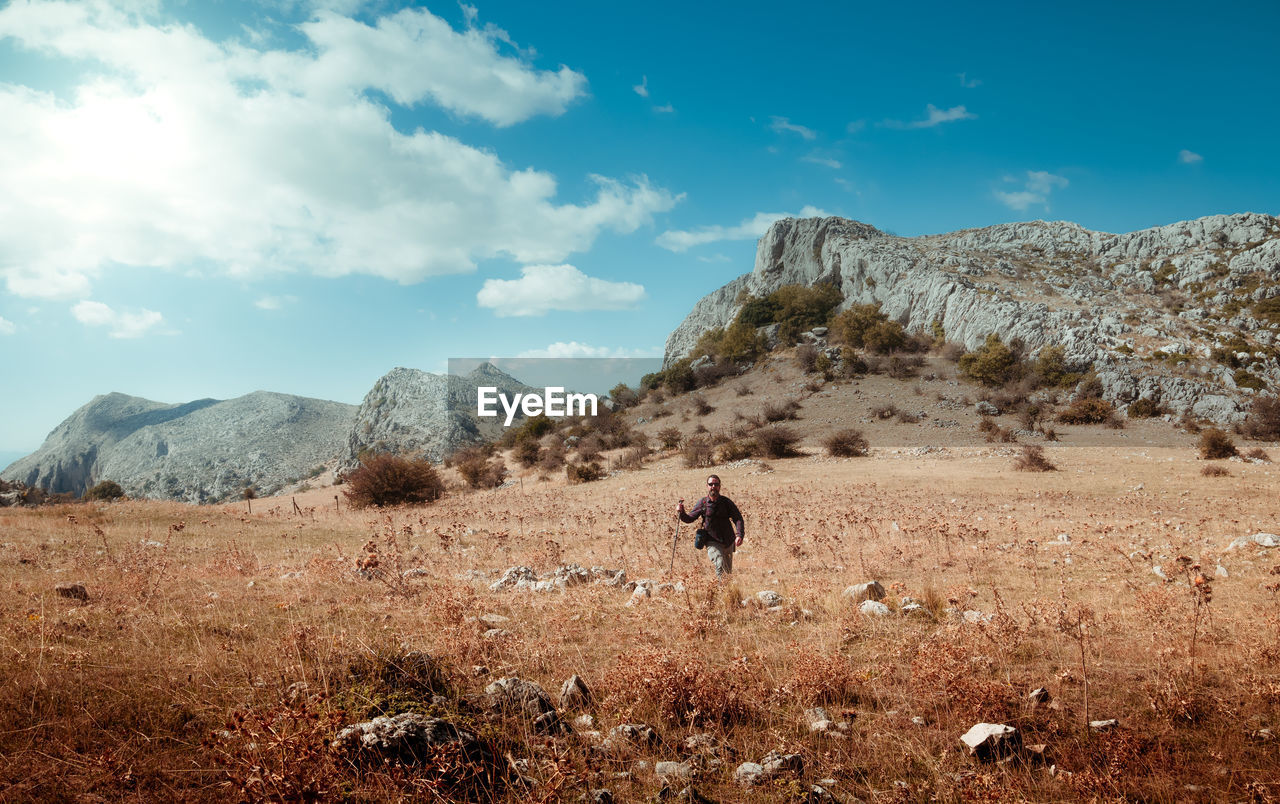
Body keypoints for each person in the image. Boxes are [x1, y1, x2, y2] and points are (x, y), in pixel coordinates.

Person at [677, 474, 745, 577]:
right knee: (720, 564)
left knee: (727, 572)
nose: (713, 486)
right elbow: (689, 518)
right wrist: (681, 512)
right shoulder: (703, 503)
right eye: (711, 484)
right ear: (707, 486)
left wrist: (739, 535)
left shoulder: (726, 502)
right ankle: (720, 589)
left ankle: (727, 592)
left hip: (728, 540)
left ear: (719, 486)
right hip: (712, 541)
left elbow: (738, 518)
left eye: (716, 484)